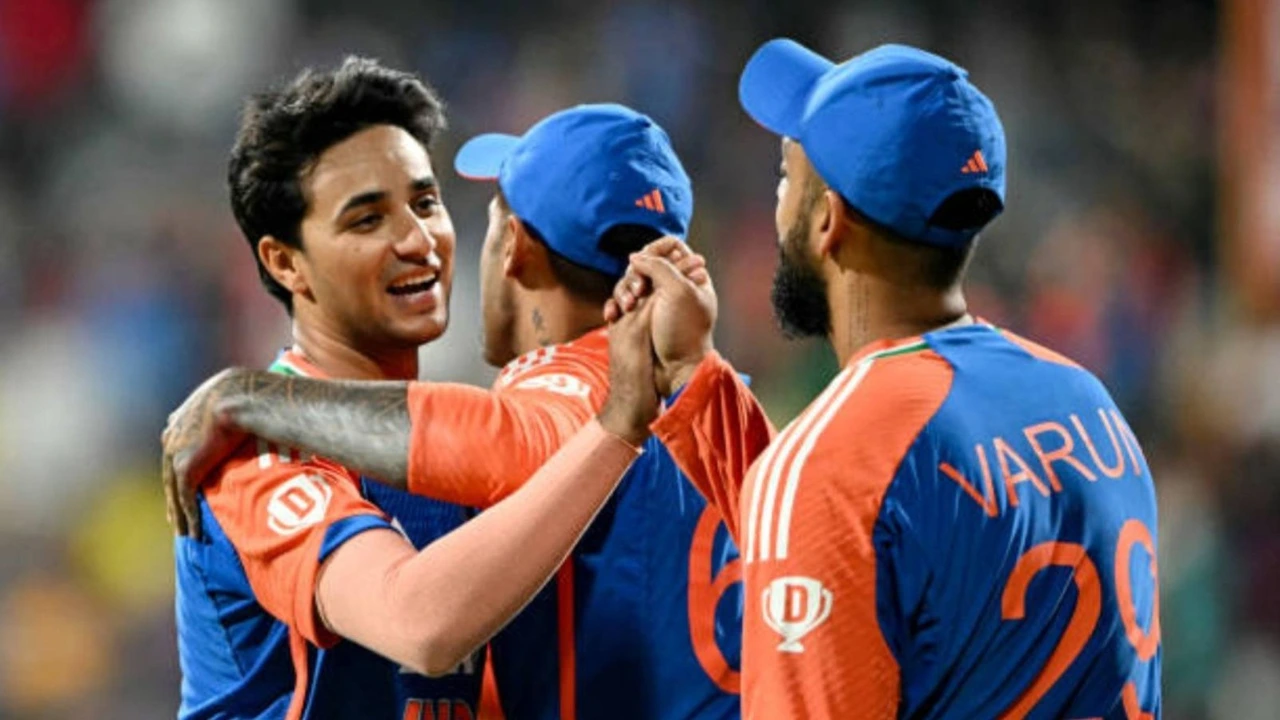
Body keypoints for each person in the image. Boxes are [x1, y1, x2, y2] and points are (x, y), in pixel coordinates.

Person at [606, 39, 1162, 719]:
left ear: (827, 220)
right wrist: (694, 379)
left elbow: (842, 504)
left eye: (785, 177)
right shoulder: (1085, 402)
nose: (775, 202)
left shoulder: (839, 463)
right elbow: (855, 545)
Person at [165, 103, 742, 719]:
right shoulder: (252, 450)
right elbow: (422, 625)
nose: (418, 241)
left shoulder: (475, 445)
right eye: (367, 220)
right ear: (285, 262)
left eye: (426, 204)